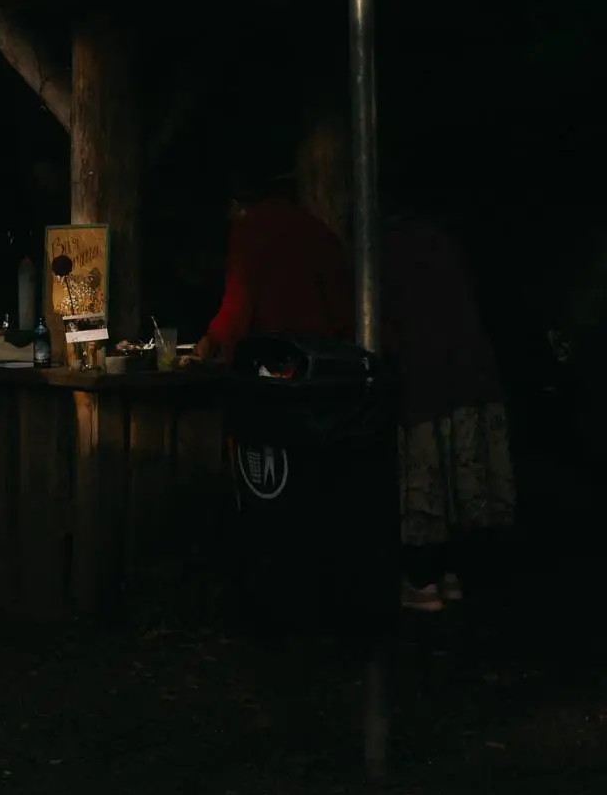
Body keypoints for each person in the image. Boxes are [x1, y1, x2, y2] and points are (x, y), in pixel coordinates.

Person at [384, 212, 515, 612]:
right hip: (466, 366)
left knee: (424, 471)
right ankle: (449, 572)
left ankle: (422, 578)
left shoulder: (389, 246)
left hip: (425, 369)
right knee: (461, 470)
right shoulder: (442, 238)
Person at [194, 172, 353, 362]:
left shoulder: (250, 230)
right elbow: (341, 305)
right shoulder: (316, 228)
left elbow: (238, 305)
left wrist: (213, 340)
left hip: (277, 358)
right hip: (322, 358)